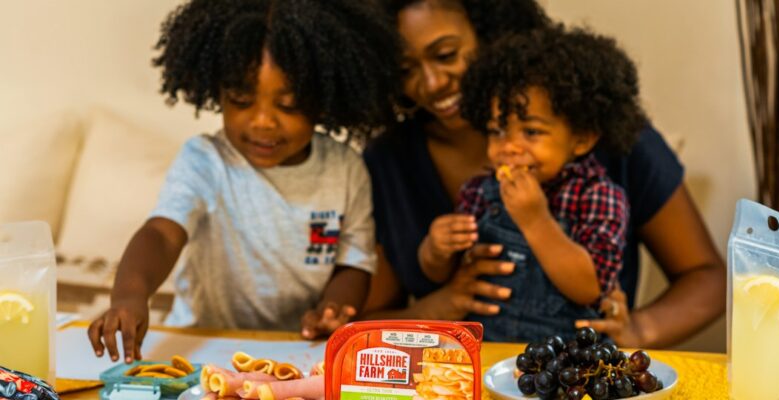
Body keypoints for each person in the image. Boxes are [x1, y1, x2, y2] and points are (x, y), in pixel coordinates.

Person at [362, 0, 725, 348]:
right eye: (405, 70)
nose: (431, 83)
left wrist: (638, 331)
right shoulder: (393, 161)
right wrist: (434, 305)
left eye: (446, 55)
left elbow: (707, 278)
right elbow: (369, 318)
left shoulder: (610, 145)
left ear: (492, 33)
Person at [88, 0, 400, 363]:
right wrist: (129, 295)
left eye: (289, 105)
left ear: (324, 102)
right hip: (201, 342)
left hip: (296, 347)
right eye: (241, 100)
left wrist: (333, 310)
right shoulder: (205, 161)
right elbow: (162, 233)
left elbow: (354, 263)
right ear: (218, 93)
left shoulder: (346, 169)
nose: (263, 121)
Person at [415, 25, 645, 342]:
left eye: (532, 132)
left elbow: (590, 288)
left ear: (582, 138)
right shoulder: (479, 190)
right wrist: (435, 250)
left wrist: (535, 220)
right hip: (487, 351)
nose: (509, 146)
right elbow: (446, 273)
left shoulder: (598, 195)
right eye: (497, 131)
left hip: (565, 359)